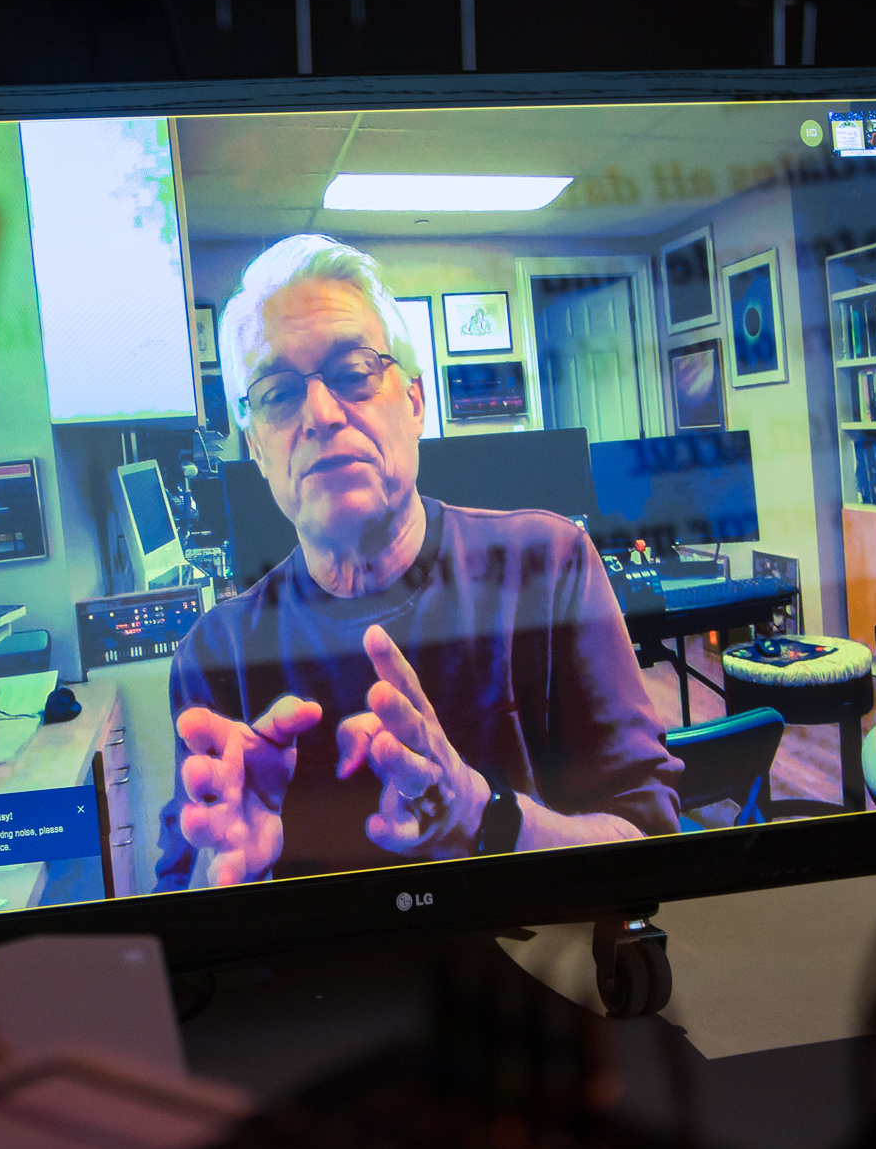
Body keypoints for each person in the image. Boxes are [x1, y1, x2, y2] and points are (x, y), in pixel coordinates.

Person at [155, 236, 681, 890]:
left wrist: (483, 819)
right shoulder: (217, 653)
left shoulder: (549, 566)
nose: (321, 414)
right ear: (256, 447)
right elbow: (180, 891)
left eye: (353, 373)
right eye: (278, 393)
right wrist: (226, 871)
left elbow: (647, 839)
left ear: (413, 402)